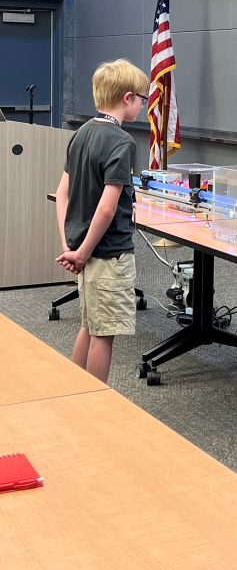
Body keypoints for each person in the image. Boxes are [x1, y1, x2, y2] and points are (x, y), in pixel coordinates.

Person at [54, 58, 149, 382]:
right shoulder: (121, 142)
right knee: (103, 334)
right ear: (127, 98)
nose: (141, 105)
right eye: (141, 99)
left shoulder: (81, 133)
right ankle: (94, 404)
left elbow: (61, 194)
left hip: (84, 248)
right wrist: (81, 252)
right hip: (109, 253)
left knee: (89, 325)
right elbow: (107, 209)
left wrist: (71, 243)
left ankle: (75, 392)